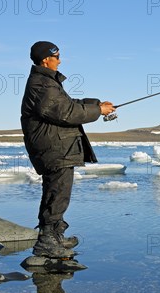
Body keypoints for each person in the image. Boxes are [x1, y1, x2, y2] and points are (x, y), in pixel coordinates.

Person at [21, 41, 115, 258]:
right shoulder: (42, 84)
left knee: (57, 192)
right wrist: (98, 111)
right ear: (46, 59)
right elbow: (66, 112)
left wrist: (97, 104)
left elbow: (67, 103)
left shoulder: (46, 83)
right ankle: (47, 241)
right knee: (57, 192)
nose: (60, 60)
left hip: (56, 146)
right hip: (53, 147)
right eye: (57, 57)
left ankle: (54, 236)